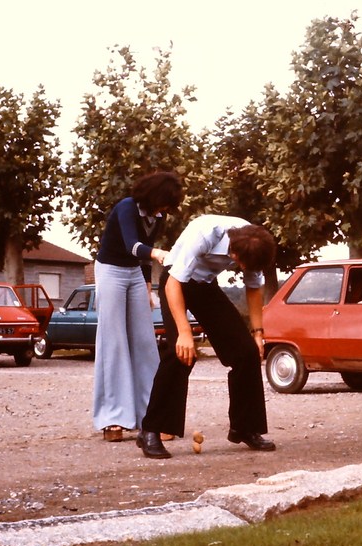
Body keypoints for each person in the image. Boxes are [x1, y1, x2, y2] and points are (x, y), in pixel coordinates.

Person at [137, 215, 277, 459]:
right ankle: (151, 430)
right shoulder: (204, 234)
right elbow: (173, 284)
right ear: (233, 252)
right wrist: (184, 333)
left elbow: (254, 288)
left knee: (247, 353)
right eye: (242, 264)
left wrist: (258, 333)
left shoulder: (255, 242)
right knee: (180, 354)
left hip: (205, 285)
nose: (244, 270)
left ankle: (245, 428)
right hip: (175, 281)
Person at [92, 171, 182, 442]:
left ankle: (151, 416)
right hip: (110, 271)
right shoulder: (126, 208)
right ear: (154, 195)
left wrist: (147, 286)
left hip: (134, 274)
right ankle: (113, 417)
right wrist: (157, 253)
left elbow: (142, 257)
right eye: (165, 202)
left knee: (145, 342)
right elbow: (133, 246)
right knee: (114, 342)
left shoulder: (158, 217)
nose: (165, 209)